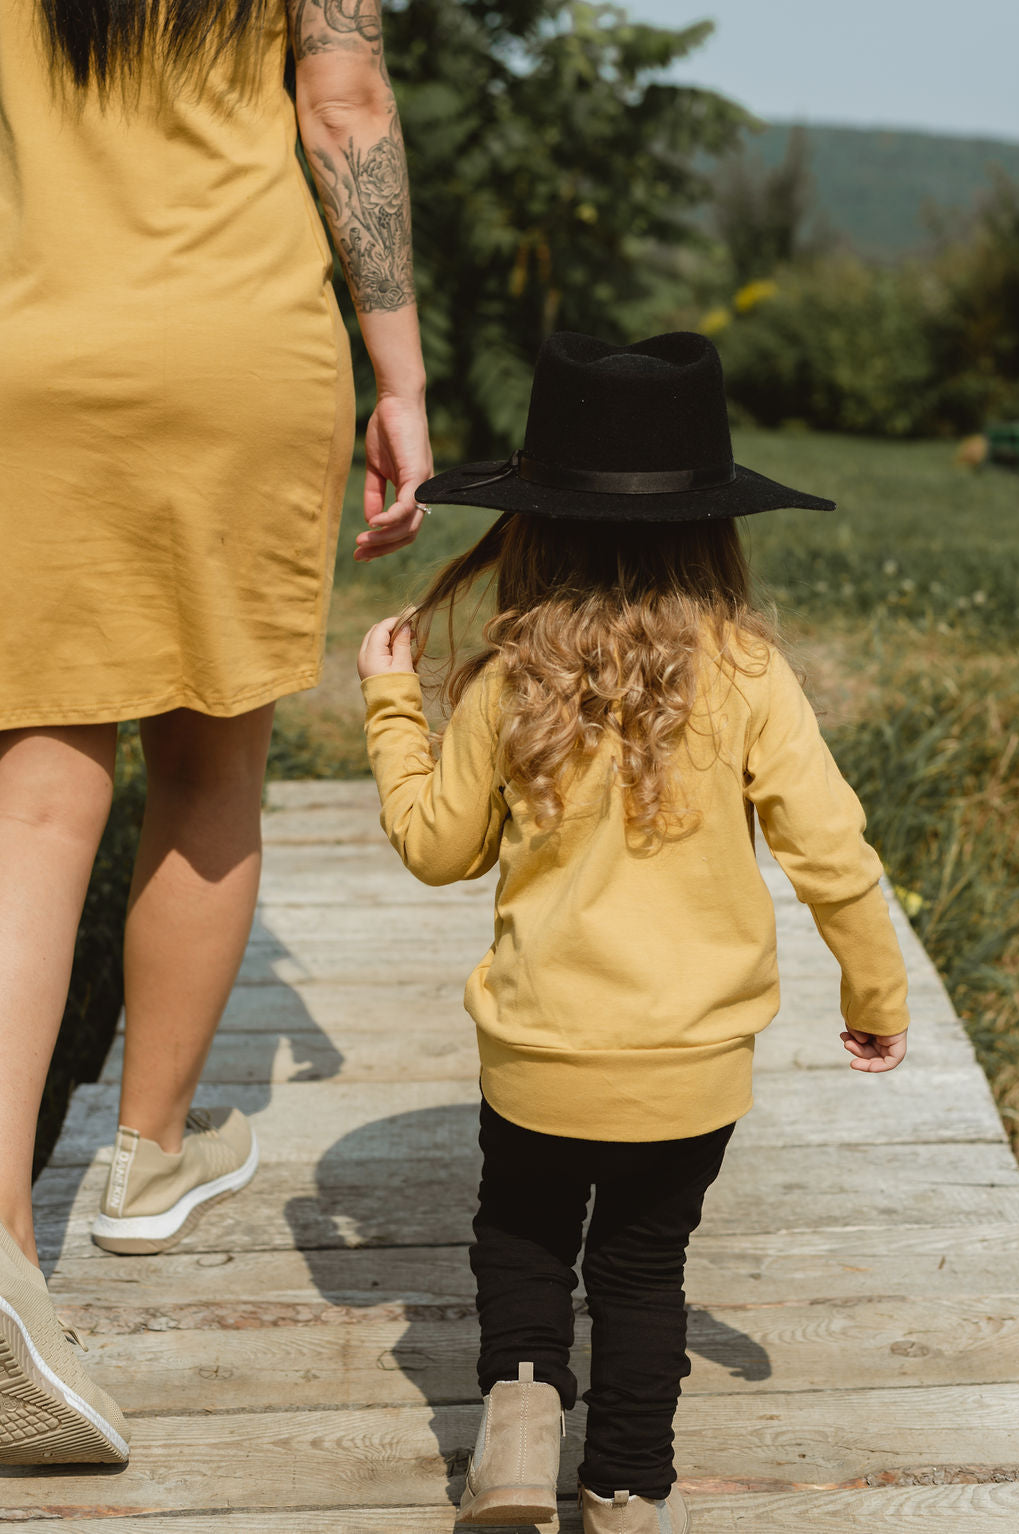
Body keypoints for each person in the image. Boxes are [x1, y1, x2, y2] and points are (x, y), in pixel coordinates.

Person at [356, 330, 910, 1533]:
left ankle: (513, 1426)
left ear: (535, 524)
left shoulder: (511, 679)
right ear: (714, 527)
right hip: (689, 1071)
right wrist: (876, 997)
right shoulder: (750, 675)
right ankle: (622, 1491)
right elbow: (834, 856)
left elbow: (436, 847)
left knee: (522, 1235)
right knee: (642, 1274)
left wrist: (392, 704)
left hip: (539, 1060)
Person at [0, 0, 431, 1466]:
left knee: (36, 808)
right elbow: (348, 110)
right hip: (236, 358)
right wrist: (405, 377)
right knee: (209, 758)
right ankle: (147, 1157)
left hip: (31, 357)